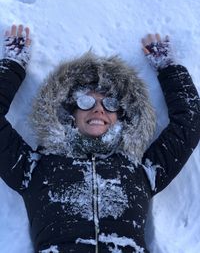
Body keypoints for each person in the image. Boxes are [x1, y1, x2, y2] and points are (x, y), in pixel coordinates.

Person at [0, 25, 200, 253]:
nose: (98, 110)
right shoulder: (34, 168)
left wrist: (168, 68)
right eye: (86, 102)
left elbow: (190, 123)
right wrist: (13, 64)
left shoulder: (142, 170)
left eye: (110, 104)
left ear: (120, 116)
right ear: (71, 113)